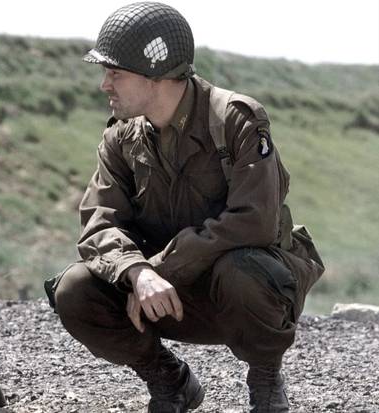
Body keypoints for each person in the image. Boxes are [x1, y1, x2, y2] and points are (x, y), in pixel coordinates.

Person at [48, 2, 324, 412]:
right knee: (74, 288)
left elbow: (255, 222)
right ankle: (169, 380)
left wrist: (159, 269)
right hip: (162, 297)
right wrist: (136, 272)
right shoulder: (121, 138)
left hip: (236, 293)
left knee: (245, 269)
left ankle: (266, 379)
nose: (105, 84)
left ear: (156, 73)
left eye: (115, 73)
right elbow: (98, 224)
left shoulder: (235, 120)